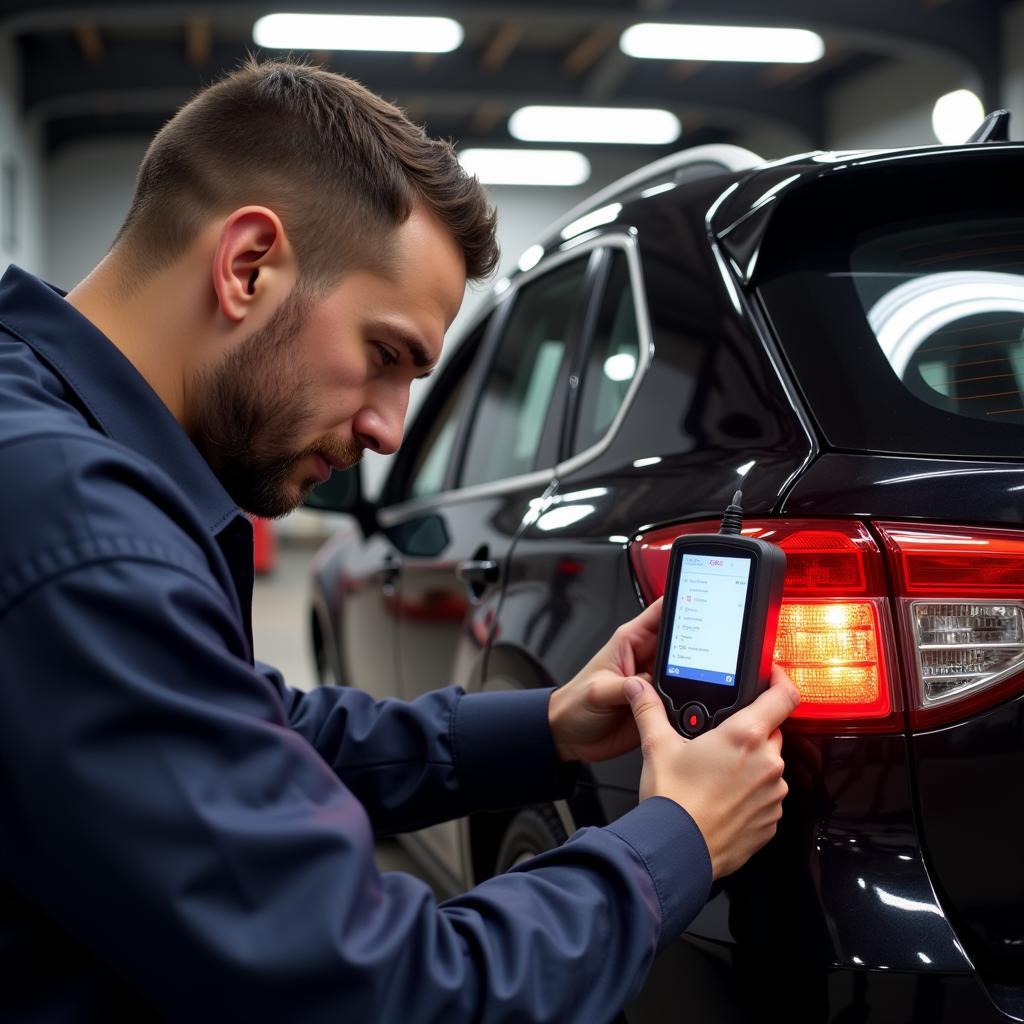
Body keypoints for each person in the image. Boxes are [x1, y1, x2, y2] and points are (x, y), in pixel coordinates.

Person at [0, 59, 799, 1022]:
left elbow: (246, 739)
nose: (387, 428)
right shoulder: (82, 535)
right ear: (248, 266)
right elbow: (388, 991)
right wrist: (678, 839)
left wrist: (545, 728)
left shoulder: (49, 445)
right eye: (385, 357)